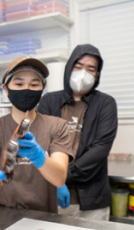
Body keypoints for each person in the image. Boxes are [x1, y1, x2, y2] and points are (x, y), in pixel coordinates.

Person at [0, 56, 73, 213]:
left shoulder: (57, 126)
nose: (26, 89)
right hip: (4, 221)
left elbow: (59, 178)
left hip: (45, 221)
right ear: (6, 89)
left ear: (43, 88)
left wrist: (40, 158)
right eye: (19, 83)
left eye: (34, 84)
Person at [37, 44, 118, 220]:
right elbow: (41, 143)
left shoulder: (105, 104)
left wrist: (61, 177)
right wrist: (55, 182)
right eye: (78, 66)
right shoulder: (49, 101)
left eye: (91, 69)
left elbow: (100, 149)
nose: (84, 73)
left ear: (97, 74)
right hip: (53, 196)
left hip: (92, 200)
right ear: (69, 67)